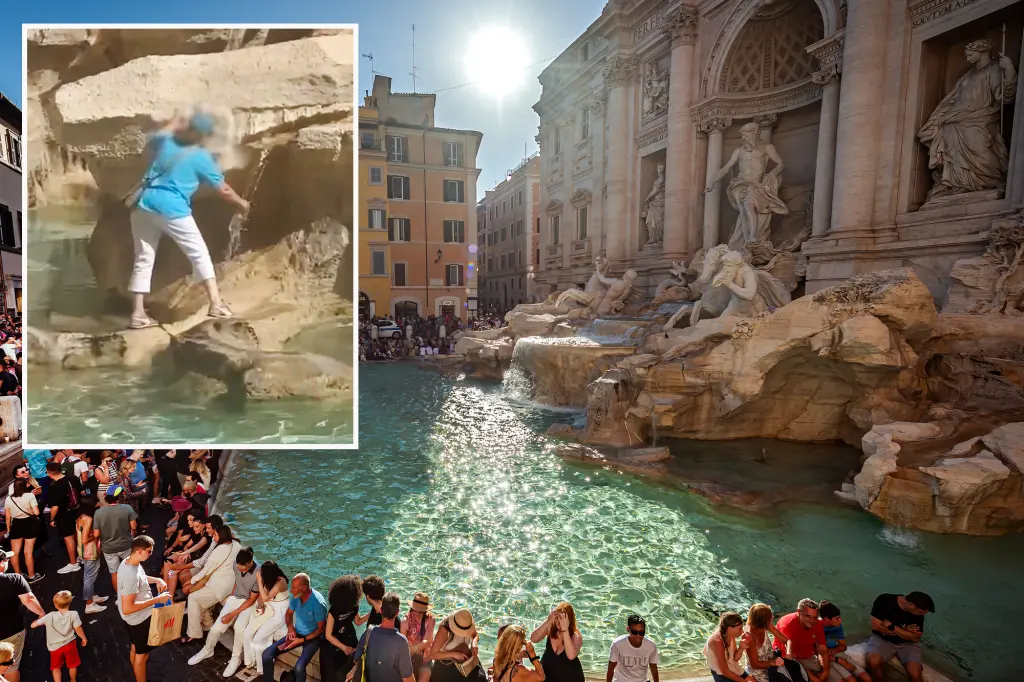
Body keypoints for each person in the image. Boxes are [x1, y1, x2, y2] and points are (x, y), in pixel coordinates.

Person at [126, 110, 249, 329]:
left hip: (143, 204)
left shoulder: (166, 144)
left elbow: (156, 135)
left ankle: (137, 314)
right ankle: (216, 304)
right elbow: (224, 190)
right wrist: (242, 203)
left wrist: (174, 121)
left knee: (143, 258)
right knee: (198, 252)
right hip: (171, 207)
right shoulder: (201, 157)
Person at [187, 545, 259, 671]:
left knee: (239, 628)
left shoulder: (258, 574)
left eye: (241, 566)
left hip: (249, 603)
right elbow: (237, 580)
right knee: (215, 628)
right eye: (237, 564)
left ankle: (236, 658)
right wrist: (232, 595)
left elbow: (252, 599)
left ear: (250, 563)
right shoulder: (236, 565)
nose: (238, 567)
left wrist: (232, 614)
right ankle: (207, 650)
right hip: (236, 598)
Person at [117, 536, 172, 682]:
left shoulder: (128, 562)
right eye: (149, 551)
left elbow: (141, 577)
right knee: (143, 656)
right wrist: (157, 600)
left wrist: (157, 579)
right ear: (140, 551)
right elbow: (128, 608)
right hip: (139, 620)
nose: (151, 554)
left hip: (131, 620)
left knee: (135, 647)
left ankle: (135, 671)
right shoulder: (131, 576)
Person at [261, 572, 327, 682]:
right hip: (297, 632)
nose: (291, 590)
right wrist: (290, 628)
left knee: (299, 668)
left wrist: (302, 639)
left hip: (313, 638)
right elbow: (288, 614)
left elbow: (321, 628)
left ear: (304, 588)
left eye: (294, 587)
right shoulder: (297, 596)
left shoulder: (318, 603)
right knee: (266, 655)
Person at [183, 524, 240, 643]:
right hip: (231, 584)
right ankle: (207, 624)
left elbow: (205, 571)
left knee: (193, 598)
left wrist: (192, 580)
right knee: (201, 599)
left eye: (215, 535)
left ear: (220, 536)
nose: (213, 537)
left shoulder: (218, 551)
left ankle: (194, 633)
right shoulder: (237, 545)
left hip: (218, 587)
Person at [864, 592, 934, 682]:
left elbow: (915, 638)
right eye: (921, 612)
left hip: (907, 644)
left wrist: (891, 626)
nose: (922, 615)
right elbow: (876, 627)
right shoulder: (884, 600)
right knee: (874, 664)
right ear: (911, 604)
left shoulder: (918, 613)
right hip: (882, 639)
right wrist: (905, 631)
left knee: (915, 675)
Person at [0, 550, 47, 682]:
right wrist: (42, 614)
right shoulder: (14, 579)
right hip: (12, 632)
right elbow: (28, 599)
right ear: (1, 564)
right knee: (10, 668)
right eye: (6, 560)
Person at [349, 592, 415, 682]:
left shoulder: (368, 632)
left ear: (381, 610)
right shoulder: (401, 641)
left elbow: (356, 659)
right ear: (397, 613)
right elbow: (407, 678)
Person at [243, 561, 290, 677]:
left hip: (279, 612)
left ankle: (262, 667)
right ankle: (250, 661)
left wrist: (259, 581)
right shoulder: (267, 579)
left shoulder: (281, 582)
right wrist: (259, 607)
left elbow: (265, 597)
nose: (260, 574)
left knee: (259, 638)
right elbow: (261, 597)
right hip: (268, 608)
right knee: (247, 633)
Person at [30, 590, 87, 682]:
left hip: (54, 647)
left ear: (55, 605)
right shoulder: (73, 614)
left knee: (56, 667)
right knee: (72, 665)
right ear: (69, 603)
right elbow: (78, 629)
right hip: (69, 644)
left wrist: (40, 619)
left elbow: (33, 625)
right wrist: (83, 638)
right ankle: (73, 680)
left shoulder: (50, 616)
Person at [93, 485, 138, 592]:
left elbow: (96, 534)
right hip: (126, 545)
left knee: (114, 573)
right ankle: (131, 592)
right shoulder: (127, 509)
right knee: (130, 569)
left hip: (108, 548)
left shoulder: (99, 512)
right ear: (120, 496)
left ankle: (119, 597)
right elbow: (134, 527)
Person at [739, 604, 796, 682]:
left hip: (773, 666)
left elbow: (787, 641)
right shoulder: (749, 636)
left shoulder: (767, 625)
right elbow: (755, 665)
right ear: (762, 620)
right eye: (770, 616)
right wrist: (773, 663)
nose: (773, 617)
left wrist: (789, 652)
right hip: (758, 674)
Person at [776, 600, 830, 682]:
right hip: (788, 660)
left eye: (815, 617)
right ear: (799, 612)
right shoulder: (788, 626)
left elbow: (822, 650)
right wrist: (814, 678)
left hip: (808, 657)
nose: (812, 621)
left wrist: (825, 672)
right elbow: (792, 660)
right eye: (808, 616)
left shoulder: (816, 623)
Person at [427, 608, 486, 682]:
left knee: (480, 678)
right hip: (446, 664)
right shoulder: (444, 630)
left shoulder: (466, 624)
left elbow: (475, 635)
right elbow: (432, 655)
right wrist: (454, 654)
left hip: (465, 661)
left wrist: (474, 643)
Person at [814, 601, 869, 682]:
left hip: (835, 653)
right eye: (837, 618)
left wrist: (833, 651)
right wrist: (839, 660)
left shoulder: (837, 626)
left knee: (867, 679)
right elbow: (817, 654)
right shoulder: (816, 627)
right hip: (825, 659)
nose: (840, 620)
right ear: (827, 619)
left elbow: (843, 646)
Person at [45, 461, 83, 575]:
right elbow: (82, 491)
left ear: (50, 473)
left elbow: (55, 507)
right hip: (76, 510)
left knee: (68, 538)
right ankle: (80, 557)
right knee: (76, 534)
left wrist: (52, 519)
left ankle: (73, 563)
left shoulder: (54, 486)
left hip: (63, 514)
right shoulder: (73, 478)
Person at [530, 602, 584, 682]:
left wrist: (565, 629)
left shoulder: (575, 635)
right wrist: (548, 621)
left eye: (562, 618)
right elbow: (533, 639)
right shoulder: (550, 628)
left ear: (569, 619)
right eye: (557, 617)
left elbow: (571, 656)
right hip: (548, 677)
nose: (559, 621)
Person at [323, 575, 362, 682]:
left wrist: (372, 613)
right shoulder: (334, 610)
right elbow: (328, 635)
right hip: (336, 644)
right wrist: (344, 648)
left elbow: (358, 621)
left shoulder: (352, 607)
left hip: (346, 641)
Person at [4, 478, 43, 583]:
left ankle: (18, 576)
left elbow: (7, 517)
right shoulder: (30, 496)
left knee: (14, 552)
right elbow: (36, 512)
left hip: (16, 524)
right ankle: (32, 576)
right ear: (26, 485)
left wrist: (8, 529)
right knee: (28, 551)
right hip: (29, 523)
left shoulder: (9, 499)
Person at [75, 497, 109, 614]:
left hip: (84, 551)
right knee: (89, 578)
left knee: (89, 576)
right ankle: (89, 605)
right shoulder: (89, 519)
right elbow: (85, 539)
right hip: (90, 551)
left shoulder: (80, 517)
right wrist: (96, 535)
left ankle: (92, 597)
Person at [607, 615, 659, 682]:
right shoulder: (618, 644)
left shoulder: (651, 645)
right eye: (635, 632)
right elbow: (611, 668)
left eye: (641, 633)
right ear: (628, 629)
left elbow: (653, 667)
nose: (638, 636)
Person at [399, 592, 436, 682]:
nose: (416, 613)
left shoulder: (430, 619)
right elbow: (402, 645)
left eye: (420, 611)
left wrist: (413, 648)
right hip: (409, 658)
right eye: (414, 609)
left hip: (425, 658)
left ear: (425, 611)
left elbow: (427, 641)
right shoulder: (405, 621)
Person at [703, 612, 746, 682]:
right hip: (721, 673)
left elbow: (735, 659)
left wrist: (741, 648)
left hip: (733, 667)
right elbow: (724, 671)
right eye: (740, 629)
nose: (742, 631)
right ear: (729, 628)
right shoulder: (717, 641)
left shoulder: (730, 634)